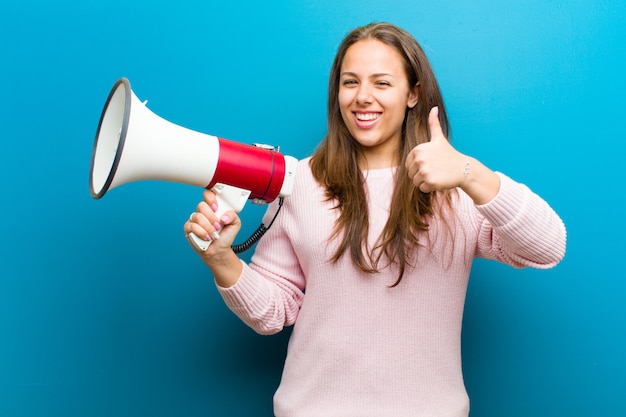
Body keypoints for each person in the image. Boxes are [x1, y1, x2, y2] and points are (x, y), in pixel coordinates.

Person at [184, 22, 566, 417]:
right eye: (350, 83)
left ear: (413, 94)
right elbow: (274, 312)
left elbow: (548, 247)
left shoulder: (455, 187)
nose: (362, 98)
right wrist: (222, 260)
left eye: (382, 83)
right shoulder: (300, 182)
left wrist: (470, 173)